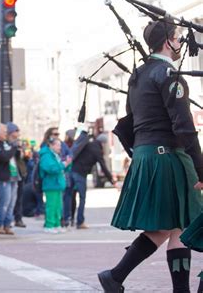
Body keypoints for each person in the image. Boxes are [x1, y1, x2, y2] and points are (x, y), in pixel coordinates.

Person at [98, 19, 203, 293]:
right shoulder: (169, 75)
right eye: (178, 38)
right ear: (167, 41)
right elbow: (185, 127)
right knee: (182, 222)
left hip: (149, 155)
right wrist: (202, 170)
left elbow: (131, 122)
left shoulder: (139, 75)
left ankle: (115, 276)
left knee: (173, 225)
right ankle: (117, 276)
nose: (180, 43)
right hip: (167, 156)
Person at [65, 131, 115, 229]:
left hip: (72, 171)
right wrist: (112, 180)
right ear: (103, 143)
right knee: (82, 198)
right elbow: (103, 166)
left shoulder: (87, 144)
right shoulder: (96, 149)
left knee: (70, 196)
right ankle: (80, 222)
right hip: (80, 174)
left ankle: (67, 220)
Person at [0, 123, 18, 235]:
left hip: (13, 177)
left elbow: (13, 156)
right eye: (4, 130)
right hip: (3, 178)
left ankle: (7, 225)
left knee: (11, 204)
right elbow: (4, 157)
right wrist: (14, 148)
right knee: (4, 203)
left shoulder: (6, 144)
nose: (6, 132)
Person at [39, 138, 71, 233]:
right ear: (51, 145)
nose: (60, 148)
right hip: (50, 184)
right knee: (51, 206)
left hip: (57, 184)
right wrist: (64, 164)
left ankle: (57, 224)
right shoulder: (46, 156)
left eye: (60, 145)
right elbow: (51, 168)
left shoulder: (55, 155)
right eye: (57, 145)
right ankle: (49, 225)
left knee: (58, 206)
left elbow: (61, 168)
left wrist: (67, 164)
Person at [7, 122, 27, 228]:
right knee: (9, 199)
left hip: (20, 172)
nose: (18, 133)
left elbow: (21, 158)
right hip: (10, 173)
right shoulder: (7, 143)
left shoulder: (18, 143)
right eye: (16, 131)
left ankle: (18, 218)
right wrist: (14, 147)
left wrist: (23, 151)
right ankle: (8, 220)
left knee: (19, 198)